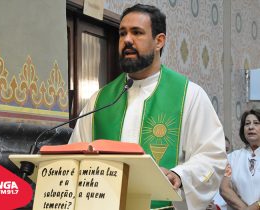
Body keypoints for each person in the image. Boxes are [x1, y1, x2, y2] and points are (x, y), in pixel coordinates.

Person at [69, 4, 227, 210]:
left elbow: (212, 156)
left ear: (159, 41)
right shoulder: (100, 99)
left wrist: (180, 174)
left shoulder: (189, 95)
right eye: (122, 33)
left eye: (137, 33)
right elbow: (75, 154)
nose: (127, 40)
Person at [220, 109, 260, 210]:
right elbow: (224, 189)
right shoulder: (231, 158)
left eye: (256, 123)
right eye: (247, 124)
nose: (251, 127)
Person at [206, 136, 232, 210]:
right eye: (220, 149)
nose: (224, 153)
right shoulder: (199, 167)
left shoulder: (228, 171)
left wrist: (216, 208)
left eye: (226, 150)